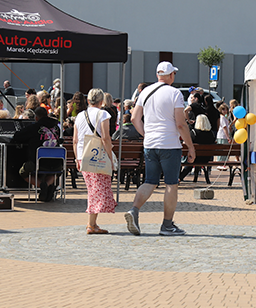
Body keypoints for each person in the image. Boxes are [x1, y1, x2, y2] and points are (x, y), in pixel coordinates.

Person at [125, 62, 196, 237]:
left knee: (150, 181)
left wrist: (146, 134)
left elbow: (134, 118)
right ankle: (167, 225)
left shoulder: (145, 92)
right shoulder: (175, 93)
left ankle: (134, 210)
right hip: (169, 144)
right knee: (171, 184)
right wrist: (190, 146)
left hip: (150, 144)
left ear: (158, 75)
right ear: (171, 75)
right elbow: (180, 123)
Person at [74, 88, 116, 234]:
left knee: (93, 189)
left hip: (82, 155)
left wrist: (76, 158)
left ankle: (93, 223)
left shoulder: (80, 115)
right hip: (97, 156)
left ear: (88, 100)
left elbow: (75, 140)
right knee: (96, 190)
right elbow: (105, 137)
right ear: (101, 101)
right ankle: (91, 224)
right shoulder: (103, 114)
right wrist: (110, 157)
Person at [13, 106, 61, 201]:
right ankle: (47, 185)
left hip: (38, 163)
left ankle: (43, 186)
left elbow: (17, 137)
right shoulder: (56, 128)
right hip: (57, 163)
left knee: (23, 172)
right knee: (57, 171)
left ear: (36, 117)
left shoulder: (34, 127)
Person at [179, 113, 215, 183]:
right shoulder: (211, 134)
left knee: (189, 160)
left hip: (194, 157)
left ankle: (179, 177)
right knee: (192, 160)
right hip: (206, 158)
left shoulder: (193, 132)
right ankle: (180, 177)